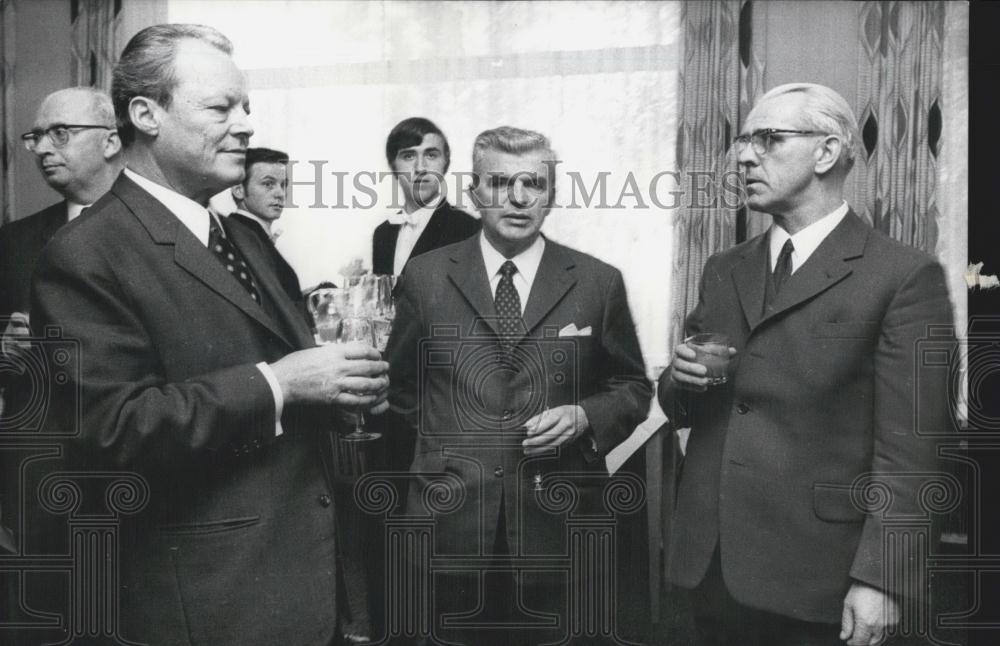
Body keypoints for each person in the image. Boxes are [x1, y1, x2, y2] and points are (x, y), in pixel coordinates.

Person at [28, 24, 388, 646]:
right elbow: (112, 432)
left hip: (314, 585)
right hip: (211, 603)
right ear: (145, 115)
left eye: (245, 106)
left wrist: (342, 390)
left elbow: (300, 381)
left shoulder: (245, 237)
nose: (246, 124)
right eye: (221, 107)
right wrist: (280, 384)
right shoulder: (85, 254)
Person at [659, 83, 954, 646]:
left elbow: (914, 454)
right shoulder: (724, 268)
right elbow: (677, 405)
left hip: (821, 580)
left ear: (827, 152)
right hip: (711, 568)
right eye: (743, 140)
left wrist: (882, 581)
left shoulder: (902, 277)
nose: (744, 155)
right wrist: (679, 377)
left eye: (767, 139)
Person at [385, 126, 650, 645]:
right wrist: (452, 440)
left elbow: (633, 387)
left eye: (534, 183)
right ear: (474, 192)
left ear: (551, 194)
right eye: (501, 182)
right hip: (449, 515)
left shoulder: (598, 281)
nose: (519, 197)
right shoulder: (424, 276)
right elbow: (401, 386)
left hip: (557, 516)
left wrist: (585, 417)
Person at [0, 86, 123, 554]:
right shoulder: (14, 242)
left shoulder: (163, 232)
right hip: (40, 482)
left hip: (143, 477)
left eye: (62, 133)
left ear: (111, 141)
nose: (44, 148)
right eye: (37, 137)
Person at [371, 117, 480, 277]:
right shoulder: (382, 234)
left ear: (445, 163)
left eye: (431, 155)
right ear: (392, 165)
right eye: (408, 156)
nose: (420, 168)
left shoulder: (469, 231)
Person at [229, 146, 304, 310]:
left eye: (283, 185)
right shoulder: (240, 237)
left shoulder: (250, 233)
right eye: (268, 184)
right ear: (238, 189)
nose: (280, 194)